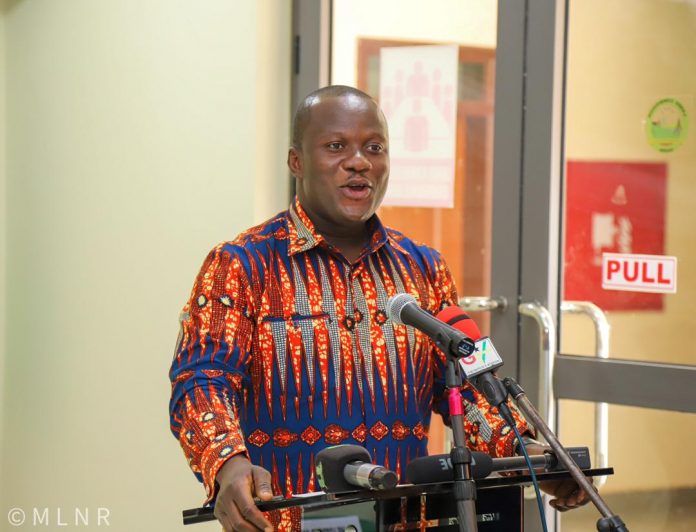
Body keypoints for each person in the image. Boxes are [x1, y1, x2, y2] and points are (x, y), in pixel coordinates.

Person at [169, 85, 590, 532]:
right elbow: (201, 380)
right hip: (287, 522)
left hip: (403, 521)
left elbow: (469, 391)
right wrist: (227, 463)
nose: (359, 162)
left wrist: (529, 456)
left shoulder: (424, 267)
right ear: (296, 162)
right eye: (336, 146)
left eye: (374, 148)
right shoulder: (241, 264)